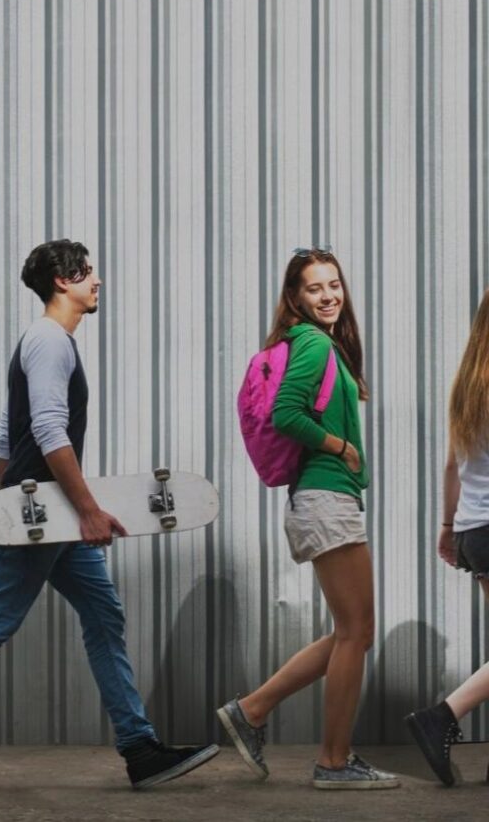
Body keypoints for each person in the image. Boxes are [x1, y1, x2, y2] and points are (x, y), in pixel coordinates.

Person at [0, 238, 219, 791]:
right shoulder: (50, 341)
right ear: (63, 282)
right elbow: (47, 431)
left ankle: (139, 748)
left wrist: (8, 494)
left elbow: (7, 430)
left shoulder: (46, 341)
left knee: (103, 616)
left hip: (46, 512)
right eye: (87, 273)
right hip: (48, 514)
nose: (96, 281)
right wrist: (81, 510)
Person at [217, 247, 398, 789]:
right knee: (357, 632)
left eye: (334, 285)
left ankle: (251, 711)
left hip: (324, 499)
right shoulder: (314, 344)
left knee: (351, 632)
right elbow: (286, 413)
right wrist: (342, 446)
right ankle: (333, 762)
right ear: (294, 297)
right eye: (315, 288)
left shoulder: (315, 344)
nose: (328, 296)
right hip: (326, 497)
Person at [406, 289, 489, 786]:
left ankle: (442, 717)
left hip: (476, 529)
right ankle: (441, 716)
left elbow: (453, 462)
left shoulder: (468, 383)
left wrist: (447, 525)